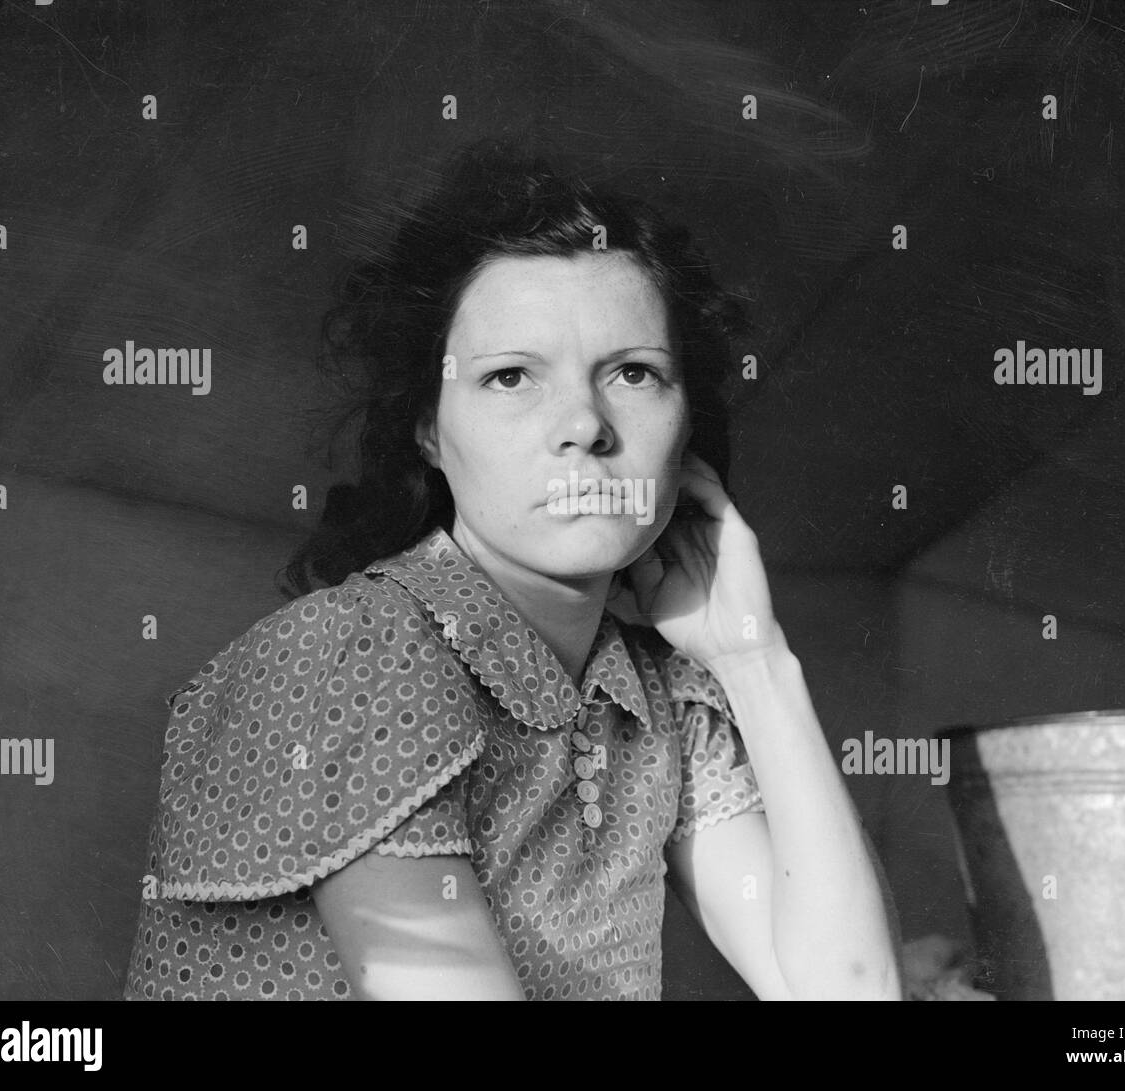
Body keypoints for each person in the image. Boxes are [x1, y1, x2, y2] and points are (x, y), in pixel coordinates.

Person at [123, 140, 901, 1000]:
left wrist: (757, 662)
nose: (584, 424)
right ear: (428, 428)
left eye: (634, 372)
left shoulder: (655, 696)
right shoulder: (345, 660)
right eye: (510, 377)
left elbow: (851, 993)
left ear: (686, 430)